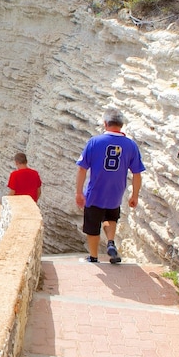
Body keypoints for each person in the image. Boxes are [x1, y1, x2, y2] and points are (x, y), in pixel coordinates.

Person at [75, 108, 145, 264]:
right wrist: (135, 195)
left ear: (105, 123)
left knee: (93, 226)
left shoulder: (95, 142)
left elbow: (82, 168)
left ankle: (93, 257)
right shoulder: (131, 145)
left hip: (95, 192)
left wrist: (79, 192)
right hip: (116, 192)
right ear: (121, 125)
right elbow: (137, 173)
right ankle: (111, 242)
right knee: (110, 218)